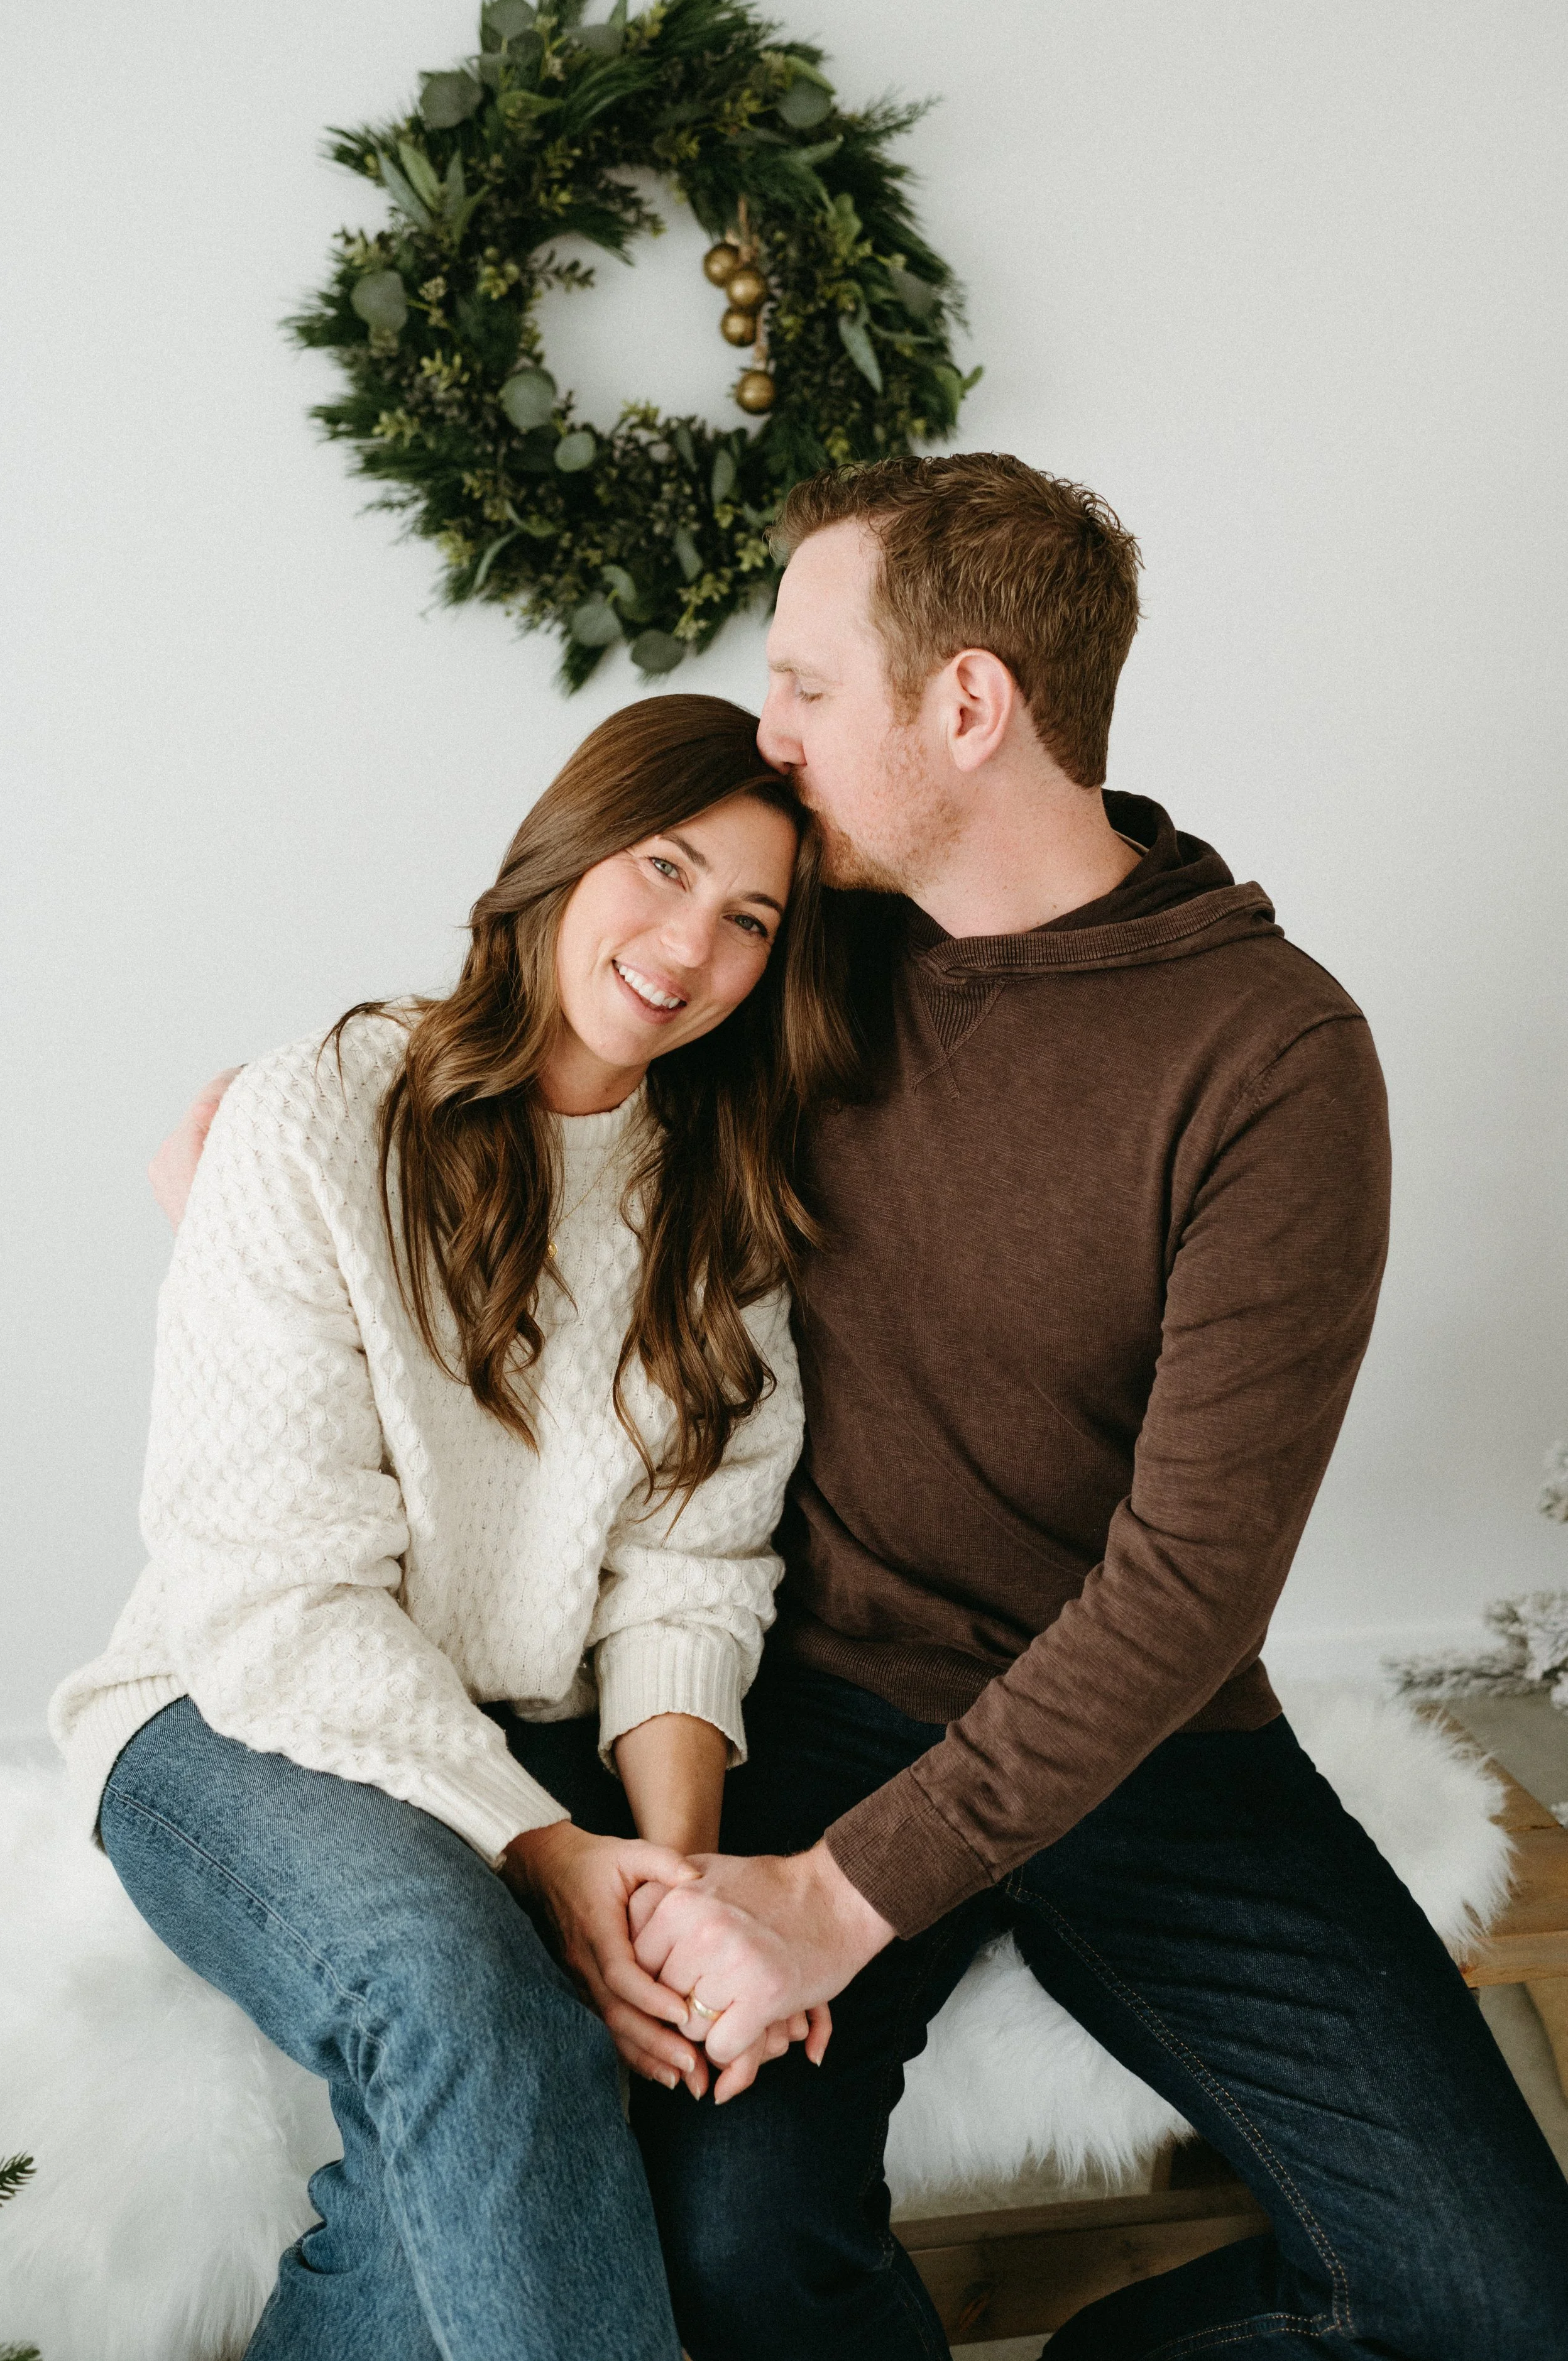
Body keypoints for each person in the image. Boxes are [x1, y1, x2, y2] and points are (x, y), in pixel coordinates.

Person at [145, 455, 1568, 2361]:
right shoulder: (799, 942)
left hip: (1146, 1739)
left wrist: (840, 1901)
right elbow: (560, 1032)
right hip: (814, 1700)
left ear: (963, 705)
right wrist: (278, 1159)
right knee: (727, 2255)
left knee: (1500, 2308)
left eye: (808, 680)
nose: (772, 725)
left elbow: (1188, 1590)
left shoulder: (1272, 1060)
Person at [49, 693, 851, 2361]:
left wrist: (669, 1878)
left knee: (542, 2147)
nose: (688, 941)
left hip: (528, 1743)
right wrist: (550, 1858)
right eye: (665, 867)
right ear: (564, 854)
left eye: (749, 918)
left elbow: (692, 1577)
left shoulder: (725, 1202)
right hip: (227, 1713)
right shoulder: (310, 1117)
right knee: (466, 1994)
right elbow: (281, 1603)